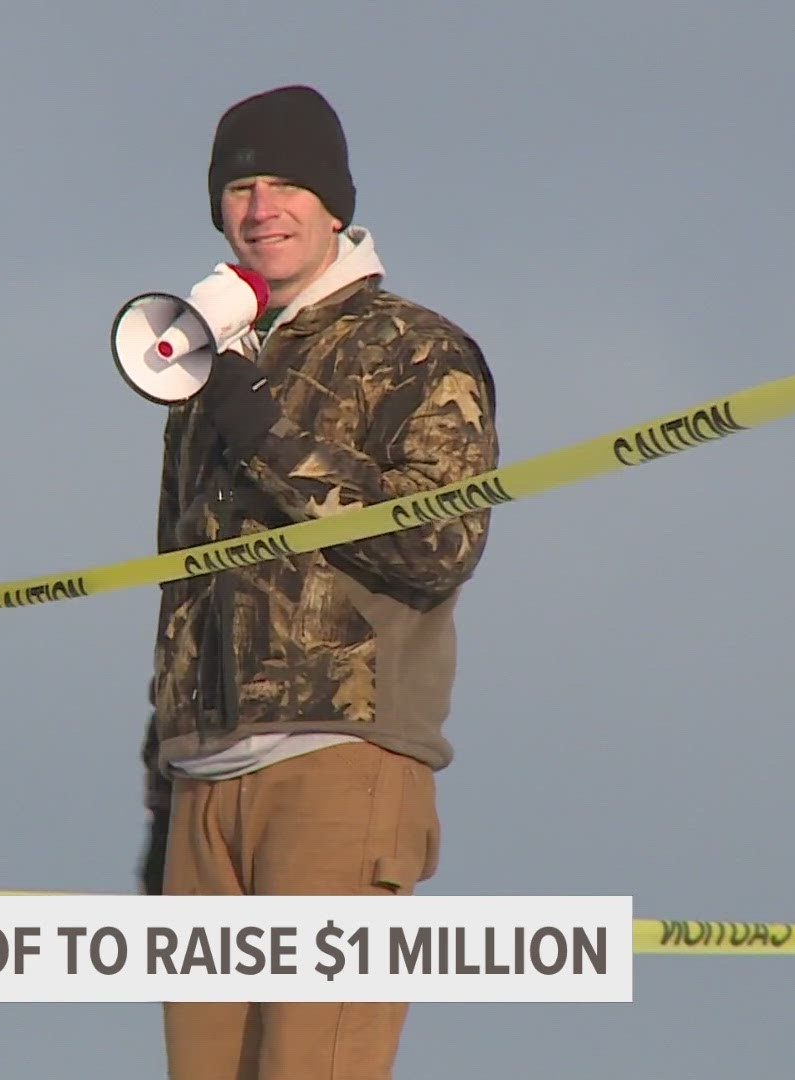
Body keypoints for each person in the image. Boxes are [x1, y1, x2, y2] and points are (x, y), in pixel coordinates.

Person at [137, 84, 501, 1079]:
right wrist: (161, 792)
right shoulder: (205, 369)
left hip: (339, 761)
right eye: (241, 188)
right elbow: (186, 588)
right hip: (205, 787)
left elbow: (436, 549)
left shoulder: (416, 350)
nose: (262, 210)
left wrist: (274, 440)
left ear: (335, 201)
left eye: (286, 184)